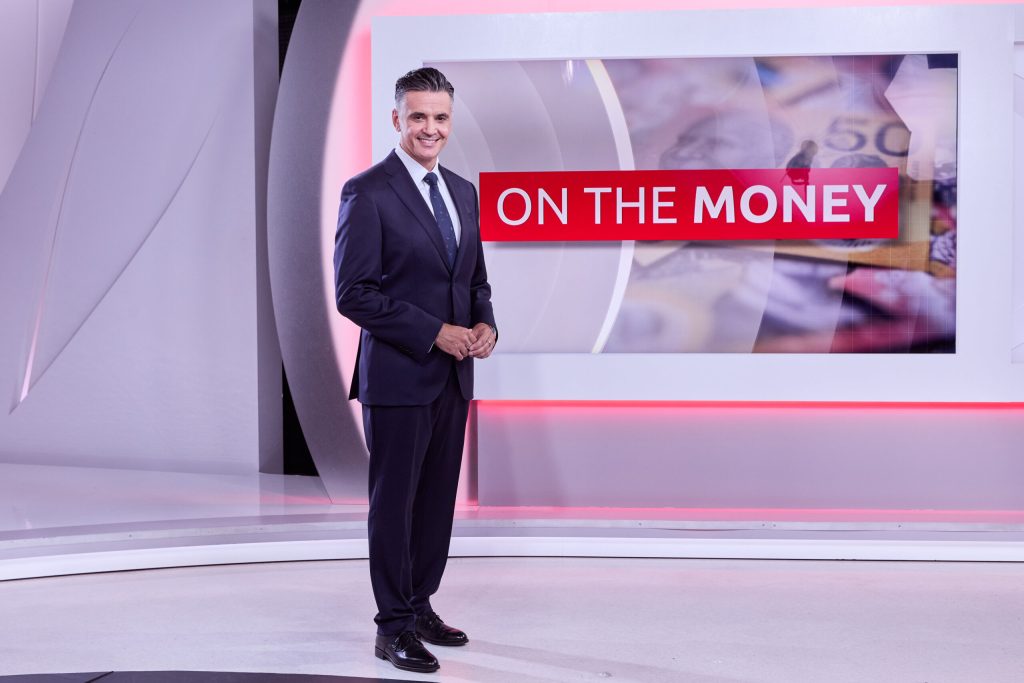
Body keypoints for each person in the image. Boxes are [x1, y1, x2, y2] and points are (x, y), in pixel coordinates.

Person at [333, 67, 497, 674]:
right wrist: (434, 332)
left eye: (442, 118)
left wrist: (485, 326)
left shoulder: (462, 191)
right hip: (399, 379)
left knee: (435, 504)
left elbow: (473, 280)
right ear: (397, 119)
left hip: (454, 377)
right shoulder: (367, 191)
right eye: (419, 116)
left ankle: (420, 604)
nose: (431, 128)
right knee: (394, 504)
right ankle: (392, 626)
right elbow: (354, 294)